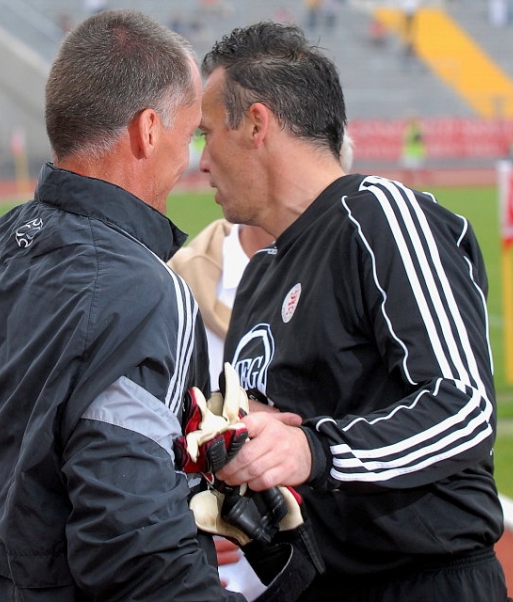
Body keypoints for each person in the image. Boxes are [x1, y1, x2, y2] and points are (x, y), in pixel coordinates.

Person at [0, 10, 315, 602]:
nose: (194, 160)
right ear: (148, 130)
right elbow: (130, 540)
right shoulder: (143, 288)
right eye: (191, 135)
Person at [197, 21, 511, 601]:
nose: (202, 162)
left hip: (426, 584)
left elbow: (463, 408)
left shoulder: (378, 217)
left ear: (257, 125)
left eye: (208, 134)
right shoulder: (261, 276)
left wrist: (314, 450)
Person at [168, 132, 353, 599]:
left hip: (338, 566)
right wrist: (186, 524)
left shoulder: (356, 277)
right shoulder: (176, 285)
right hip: (218, 578)